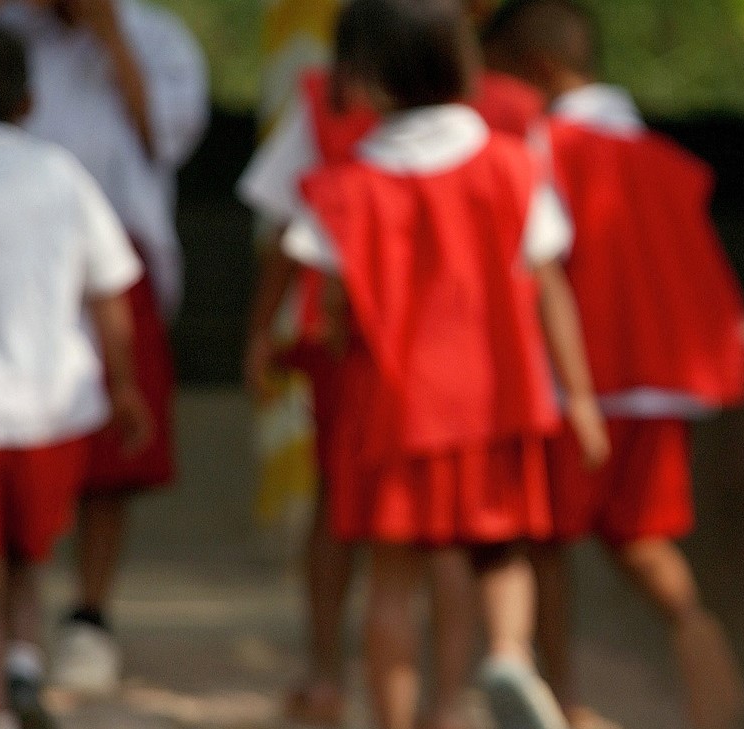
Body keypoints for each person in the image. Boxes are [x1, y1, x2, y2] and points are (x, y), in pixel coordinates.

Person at [253, 1, 609, 728]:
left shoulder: (343, 188)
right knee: (498, 552)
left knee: (392, 579)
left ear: (360, 77)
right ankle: (505, 655)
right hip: (498, 402)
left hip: (392, 409)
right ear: (464, 63)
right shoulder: (514, 167)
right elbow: (548, 288)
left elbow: (336, 307)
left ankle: (395, 715)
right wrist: (577, 396)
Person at [0, 0, 209, 696]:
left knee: (43, 512)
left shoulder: (155, 40)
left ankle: (54, 645)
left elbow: (168, 139)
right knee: (23, 539)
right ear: (28, 101)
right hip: (18, 351)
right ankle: (20, 656)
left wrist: (110, 38)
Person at [481, 2, 744, 728]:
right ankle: (704, 650)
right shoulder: (662, 157)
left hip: (583, 386)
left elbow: (539, 272)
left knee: (545, 541)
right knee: (642, 537)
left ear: (534, 70)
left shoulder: (542, 147)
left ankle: (562, 702)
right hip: (663, 384)